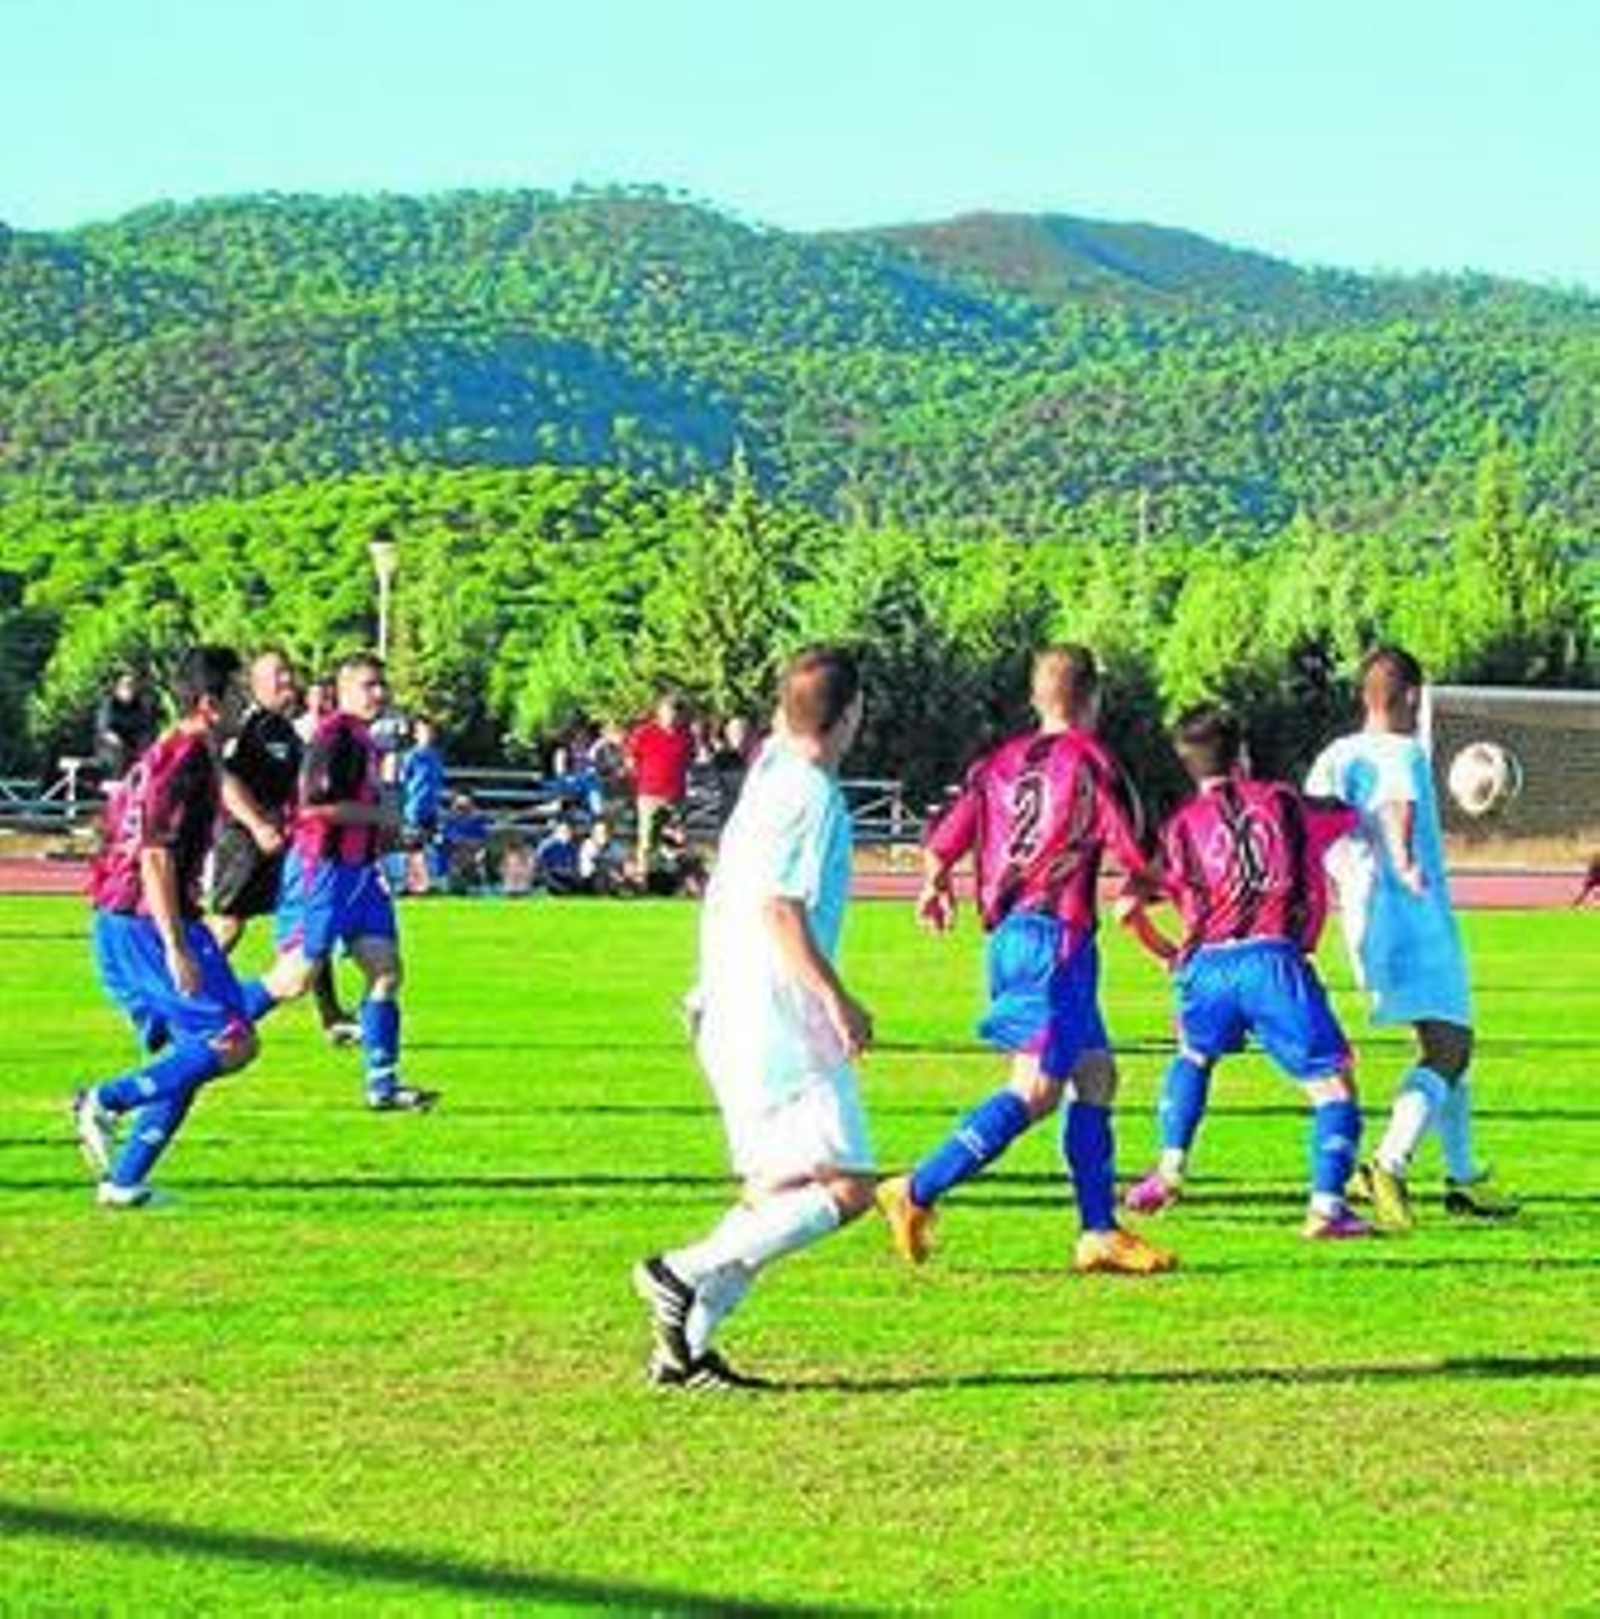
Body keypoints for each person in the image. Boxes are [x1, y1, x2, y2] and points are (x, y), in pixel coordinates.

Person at [877, 645, 1177, 1277]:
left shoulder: (996, 763)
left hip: (1014, 936)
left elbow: (943, 843)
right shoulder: (1093, 761)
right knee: (1036, 1091)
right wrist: (1172, 889)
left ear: (1037, 699)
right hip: (1055, 940)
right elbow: (1138, 851)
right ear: (1092, 699)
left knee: (1097, 1076)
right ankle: (917, 1188)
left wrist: (935, 887)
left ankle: (1097, 1232)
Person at [633, 646, 875, 1391]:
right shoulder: (808, 792)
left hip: (733, 1008)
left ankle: (685, 1351)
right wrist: (839, 997)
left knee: (775, 1194)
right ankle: (681, 1269)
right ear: (851, 715)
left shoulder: (771, 770)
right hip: (778, 1015)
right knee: (847, 1187)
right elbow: (779, 907)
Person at [1119, 706, 1372, 1239]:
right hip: (1272, 960)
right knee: (1335, 1088)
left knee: (1193, 1054)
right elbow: (1349, 815)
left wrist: (1168, 954)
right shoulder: (1282, 801)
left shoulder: (1180, 826)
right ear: (1243, 754)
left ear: (1189, 764)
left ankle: (1168, 1172)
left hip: (1206, 966)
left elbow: (1124, 910)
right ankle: (1327, 1210)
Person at [1306, 646, 1519, 1229]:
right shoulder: (1401, 751)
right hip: (1414, 918)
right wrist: (1403, 861)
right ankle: (1388, 1163)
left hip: (1363, 921)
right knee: (1452, 1046)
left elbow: (1314, 826)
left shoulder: (1333, 756)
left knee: (1447, 1048)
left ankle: (1465, 1176)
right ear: (1409, 698)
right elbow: (1397, 805)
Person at [71, 646, 270, 1206]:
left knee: (190, 1055)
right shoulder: (181, 757)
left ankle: (125, 1181)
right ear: (210, 704)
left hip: (128, 918)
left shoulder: (187, 753)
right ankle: (105, 1099)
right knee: (232, 1041)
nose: (245, 707)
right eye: (237, 696)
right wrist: (177, 944)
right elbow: (154, 854)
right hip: (146, 922)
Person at [262, 652, 439, 1112]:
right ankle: (203, 1028)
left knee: (386, 970)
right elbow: (314, 806)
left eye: (382, 684)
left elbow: (357, 809)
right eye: (368, 685)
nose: (378, 693)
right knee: (294, 980)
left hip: (360, 873)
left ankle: (382, 1085)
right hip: (321, 872)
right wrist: (381, 815)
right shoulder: (335, 736)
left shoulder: (364, 739)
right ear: (341, 691)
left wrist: (388, 835)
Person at [205, 648, 357, 1044]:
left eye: (289, 674)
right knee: (227, 925)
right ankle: (183, 1000)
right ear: (255, 684)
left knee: (312, 923)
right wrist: (256, 825)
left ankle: (332, 1015)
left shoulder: (285, 730)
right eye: (278, 675)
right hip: (243, 842)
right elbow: (226, 783)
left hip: (285, 843)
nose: (287, 682)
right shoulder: (246, 728)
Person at [627, 690, 694, 872]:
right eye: (667, 712)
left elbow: (689, 762)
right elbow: (631, 760)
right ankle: (644, 876)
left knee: (677, 840)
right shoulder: (644, 733)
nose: (671, 717)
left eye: (675, 713)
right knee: (647, 840)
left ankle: (673, 878)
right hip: (649, 795)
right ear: (659, 712)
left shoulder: (686, 736)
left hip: (676, 796)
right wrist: (641, 779)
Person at [399, 716, 447, 893]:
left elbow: (438, 783)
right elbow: (403, 781)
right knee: (413, 847)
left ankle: (428, 883)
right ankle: (412, 885)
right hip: (414, 809)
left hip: (432, 809)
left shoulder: (436, 756)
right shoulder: (412, 756)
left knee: (434, 845)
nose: (427, 735)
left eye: (430, 732)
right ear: (416, 735)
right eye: (423, 731)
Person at [93, 669, 160, 781]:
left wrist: (148, 743)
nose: (129, 689)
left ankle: (144, 788)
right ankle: (118, 786)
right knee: (119, 755)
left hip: (132, 745)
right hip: (109, 747)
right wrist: (118, 742)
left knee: (148, 753)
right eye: (125, 686)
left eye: (132, 686)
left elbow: (146, 727)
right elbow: (105, 730)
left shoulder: (139, 705)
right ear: (118, 689)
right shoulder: (109, 705)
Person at [535, 817, 585, 894]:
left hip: (568, 882)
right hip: (551, 883)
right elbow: (541, 867)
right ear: (556, 831)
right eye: (562, 831)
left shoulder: (572, 848)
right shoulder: (547, 845)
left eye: (567, 831)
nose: (566, 834)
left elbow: (575, 866)